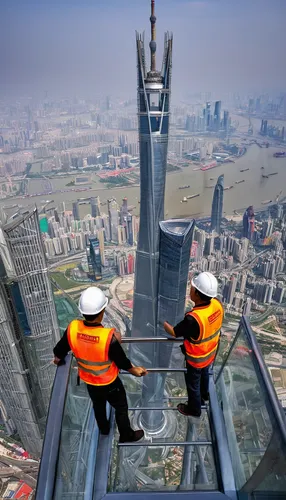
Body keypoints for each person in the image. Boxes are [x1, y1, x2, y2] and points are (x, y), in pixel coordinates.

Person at [53, 286, 147, 443]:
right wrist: (135, 370)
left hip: (90, 381)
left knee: (98, 406)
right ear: (102, 312)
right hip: (110, 382)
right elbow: (122, 361)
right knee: (121, 407)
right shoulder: (108, 338)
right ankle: (126, 435)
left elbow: (59, 349)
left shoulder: (73, 328)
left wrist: (58, 358)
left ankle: (104, 429)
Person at [163, 272, 223, 418]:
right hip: (211, 353)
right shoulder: (216, 304)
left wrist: (161, 321)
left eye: (192, 287)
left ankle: (195, 410)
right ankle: (205, 395)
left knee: (192, 385)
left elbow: (174, 332)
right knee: (205, 375)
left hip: (196, 360)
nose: (190, 288)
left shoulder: (194, 319)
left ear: (196, 293)